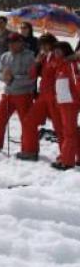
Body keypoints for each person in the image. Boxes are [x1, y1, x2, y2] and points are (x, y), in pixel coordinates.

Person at [0, 33, 35, 156]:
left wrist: (13, 78)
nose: (11, 45)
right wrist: (4, 77)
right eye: (9, 43)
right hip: (8, 94)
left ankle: (29, 149)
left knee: (26, 122)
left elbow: (32, 77)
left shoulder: (30, 56)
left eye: (14, 42)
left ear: (21, 42)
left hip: (24, 94)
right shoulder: (5, 56)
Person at [19, 34, 63, 161]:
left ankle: (66, 155)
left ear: (52, 43)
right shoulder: (44, 57)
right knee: (29, 121)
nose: (43, 47)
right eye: (41, 45)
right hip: (43, 96)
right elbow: (32, 75)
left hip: (56, 96)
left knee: (60, 127)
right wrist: (37, 62)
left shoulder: (58, 56)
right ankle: (30, 151)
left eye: (45, 44)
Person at [51, 41, 79, 170]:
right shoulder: (60, 66)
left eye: (58, 51)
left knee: (69, 132)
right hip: (64, 104)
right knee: (71, 131)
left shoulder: (71, 64)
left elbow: (76, 82)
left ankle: (67, 161)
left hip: (71, 104)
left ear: (65, 51)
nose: (55, 54)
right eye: (54, 51)